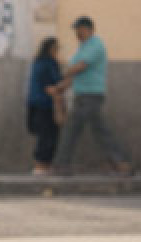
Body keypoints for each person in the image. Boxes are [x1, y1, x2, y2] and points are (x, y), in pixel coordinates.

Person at [51, 16, 131, 176]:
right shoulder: (83, 47)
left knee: (72, 129)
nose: (77, 33)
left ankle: (62, 164)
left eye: (80, 29)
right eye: (76, 30)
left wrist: (63, 73)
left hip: (90, 95)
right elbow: (76, 74)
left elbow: (80, 66)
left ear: (89, 29)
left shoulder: (95, 45)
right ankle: (121, 163)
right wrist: (61, 86)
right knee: (99, 130)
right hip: (83, 94)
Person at [26, 37, 64, 173]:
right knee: (49, 136)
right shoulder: (50, 63)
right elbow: (57, 82)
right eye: (56, 49)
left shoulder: (37, 62)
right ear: (51, 49)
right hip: (46, 104)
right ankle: (41, 166)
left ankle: (41, 165)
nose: (57, 51)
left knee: (44, 135)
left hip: (34, 103)